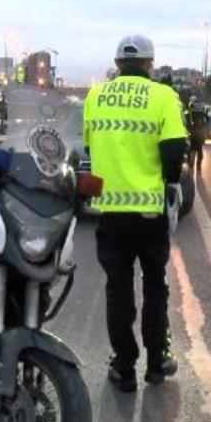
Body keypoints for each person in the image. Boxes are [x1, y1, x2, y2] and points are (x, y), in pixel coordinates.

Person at [83, 35, 188, 393]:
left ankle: (124, 366)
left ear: (117, 63)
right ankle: (157, 363)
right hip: (148, 211)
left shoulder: (95, 97)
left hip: (111, 210)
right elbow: (175, 149)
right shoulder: (163, 97)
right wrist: (170, 187)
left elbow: (89, 146)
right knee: (155, 287)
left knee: (118, 289)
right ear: (149, 64)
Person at [187, 96, 210, 169]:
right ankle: (195, 164)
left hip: (196, 134)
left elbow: (207, 122)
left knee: (194, 149)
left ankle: (195, 164)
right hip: (196, 134)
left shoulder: (196, 113)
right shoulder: (195, 113)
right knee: (196, 149)